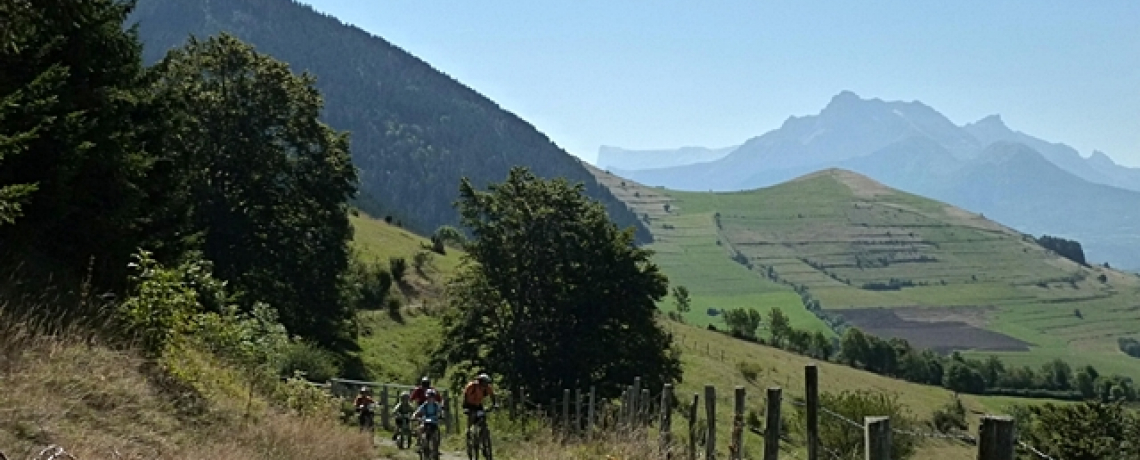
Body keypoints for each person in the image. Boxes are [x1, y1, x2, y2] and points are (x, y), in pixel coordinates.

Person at [413, 389, 445, 453]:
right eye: (429, 397)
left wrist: (441, 416)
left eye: (432, 397)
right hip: (426, 422)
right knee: (420, 429)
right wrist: (414, 416)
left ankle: (436, 446)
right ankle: (420, 444)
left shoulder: (436, 405)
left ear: (434, 398)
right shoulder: (424, 405)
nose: (430, 399)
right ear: (426, 397)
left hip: (434, 422)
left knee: (436, 433)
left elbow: (441, 411)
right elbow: (417, 411)